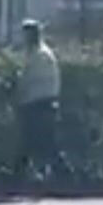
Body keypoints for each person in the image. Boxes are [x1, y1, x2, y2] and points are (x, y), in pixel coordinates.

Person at [15, 19, 66, 184]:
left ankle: (65, 176)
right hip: (37, 103)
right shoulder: (36, 53)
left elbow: (28, 80)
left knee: (40, 143)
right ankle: (21, 175)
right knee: (36, 143)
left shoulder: (40, 55)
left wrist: (19, 93)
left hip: (40, 104)